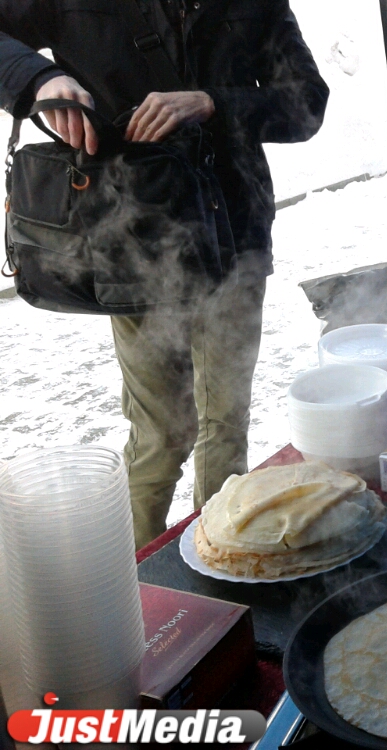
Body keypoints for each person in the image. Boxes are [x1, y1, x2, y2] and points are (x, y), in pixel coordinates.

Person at [0, 1, 329, 548]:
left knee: (225, 432)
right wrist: (41, 77)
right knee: (159, 439)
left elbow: (308, 105)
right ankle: (142, 588)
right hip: (132, 246)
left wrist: (214, 104)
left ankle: (222, 571)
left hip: (236, 235)